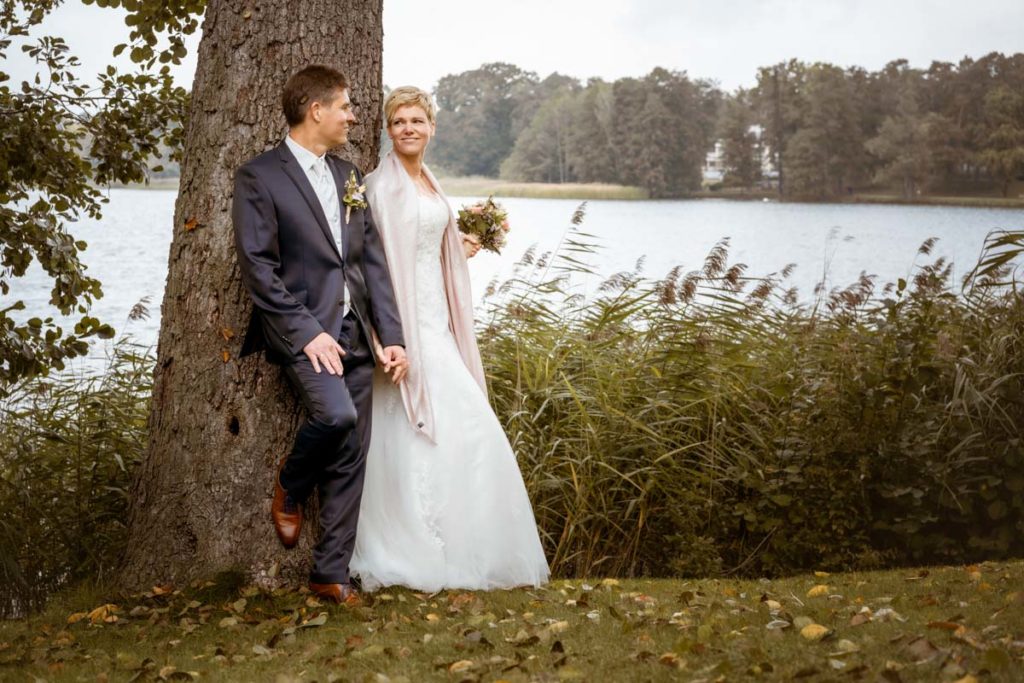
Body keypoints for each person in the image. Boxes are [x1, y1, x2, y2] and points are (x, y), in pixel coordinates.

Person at [349, 86, 549, 591]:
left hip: (439, 320)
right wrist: (388, 338)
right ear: (388, 131)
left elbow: (425, 243)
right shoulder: (378, 186)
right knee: (418, 427)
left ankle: (468, 546)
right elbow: (376, 265)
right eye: (399, 122)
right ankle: (414, 545)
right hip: (405, 327)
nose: (409, 129)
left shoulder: (430, 184)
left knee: (467, 425)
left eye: (417, 120)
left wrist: (459, 246)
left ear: (432, 127)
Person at [232, 65, 408, 605]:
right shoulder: (259, 176)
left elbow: (371, 264)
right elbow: (258, 267)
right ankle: (291, 484)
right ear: (316, 110)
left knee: (352, 453)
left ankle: (330, 576)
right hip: (301, 330)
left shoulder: (348, 175)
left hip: (356, 331)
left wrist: (392, 334)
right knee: (336, 417)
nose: (354, 116)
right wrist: (307, 334)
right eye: (347, 107)